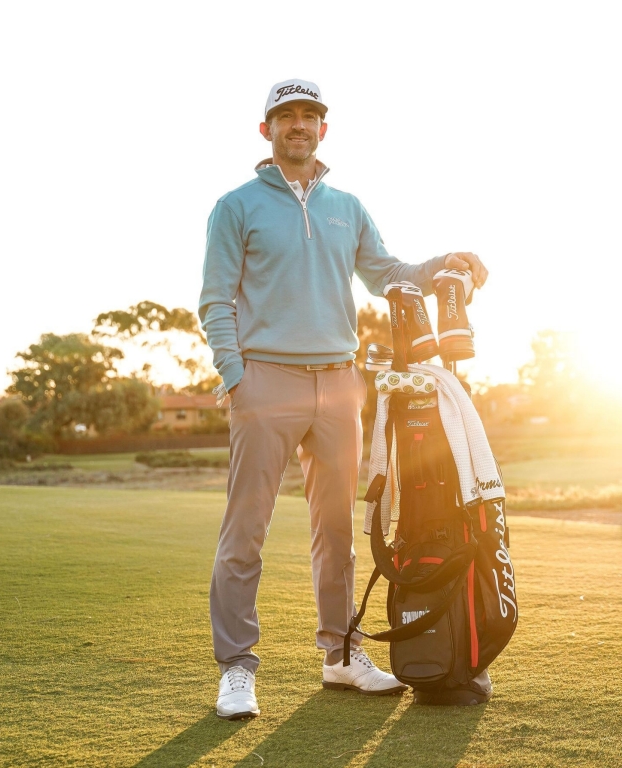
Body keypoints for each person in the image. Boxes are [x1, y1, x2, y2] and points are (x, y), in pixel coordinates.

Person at [199, 78, 488, 720]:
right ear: (267, 130)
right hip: (265, 381)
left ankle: (340, 654)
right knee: (246, 530)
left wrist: (447, 261)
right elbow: (215, 299)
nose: (298, 125)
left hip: (338, 384)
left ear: (323, 129)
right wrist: (235, 375)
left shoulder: (347, 207)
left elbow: (389, 274)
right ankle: (237, 667)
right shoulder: (236, 206)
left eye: (310, 115)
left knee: (337, 532)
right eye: (286, 116)